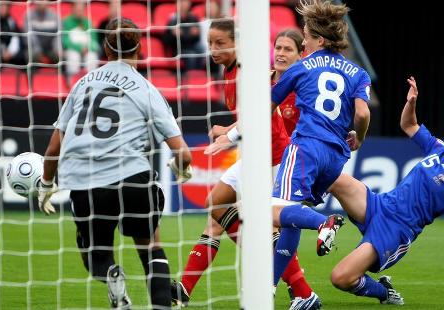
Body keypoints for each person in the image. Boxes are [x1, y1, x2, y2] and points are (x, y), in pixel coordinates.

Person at [37, 18, 192, 309]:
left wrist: (46, 184)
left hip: (86, 182)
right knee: (150, 245)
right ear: (140, 49)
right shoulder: (147, 89)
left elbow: (54, 147)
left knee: (96, 254)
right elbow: (182, 152)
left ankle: (111, 276)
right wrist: (182, 167)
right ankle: (161, 305)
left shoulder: (82, 84)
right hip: (133, 177)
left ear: (105, 49)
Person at [172, 22, 320, 310]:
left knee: (253, 224)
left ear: (238, 43)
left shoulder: (248, 75)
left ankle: (302, 291)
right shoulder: (234, 73)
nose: (213, 49)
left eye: (220, 43)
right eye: (211, 43)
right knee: (216, 206)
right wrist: (228, 130)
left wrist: (227, 137)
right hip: (253, 156)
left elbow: (260, 120)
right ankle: (184, 290)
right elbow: (251, 118)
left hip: (273, 160)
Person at [270, 0, 371, 295]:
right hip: (336, 157)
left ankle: (322, 223)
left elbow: (269, 104)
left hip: (305, 149)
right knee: (291, 216)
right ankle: (270, 286)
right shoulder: (356, 72)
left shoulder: (301, 68)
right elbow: (363, 114)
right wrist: (360, 138)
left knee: (270, 211)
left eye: (306, 38)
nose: (303, 43)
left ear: (320, 40)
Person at [327, 76, 440, 305]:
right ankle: (299, 219)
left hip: (397, 228)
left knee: (341, 277)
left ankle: (383, 291)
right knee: (329, 176)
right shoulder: (439, 148)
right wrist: (411, 103)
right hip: (382, 204)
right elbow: (409, 125)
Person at [163, 0, 204, 70]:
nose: (184, 5)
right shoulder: (173, 19)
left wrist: (196, 34)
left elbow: (197, 38)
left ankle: (200, 74)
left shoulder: (193, 18)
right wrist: (173, 35)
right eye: (182, 2)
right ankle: (191, 76)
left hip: (192, 46)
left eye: (186, 2)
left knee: (203, 49)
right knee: (191, 55)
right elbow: (165, 40)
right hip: (178, 48)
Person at [62, 1, 99, 77]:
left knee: (92, 57)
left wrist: (88, 48)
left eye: (81, 10)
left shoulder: (89, 23)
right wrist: (79, 48)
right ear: (72, 9)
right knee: (73, 56)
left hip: (87, 50)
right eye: (77, 9)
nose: (79, 12)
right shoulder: (66, 22)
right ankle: (72, 80)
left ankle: (91, 80)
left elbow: (94, 42)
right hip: (72, 49)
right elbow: (65, 40)